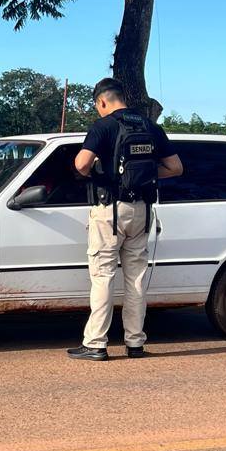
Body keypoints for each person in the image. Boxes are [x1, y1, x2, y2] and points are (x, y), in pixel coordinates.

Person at [66, 78, 184, 361]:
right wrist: (148, 174)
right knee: (136, 279)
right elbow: (176, 168)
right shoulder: (150, 127)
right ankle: (135, 343)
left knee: (104, 275)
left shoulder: (103, 127)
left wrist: (98, 172)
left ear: (102, 101)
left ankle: (96, 344)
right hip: (142, 210)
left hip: (110, 210)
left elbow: (81, 164)